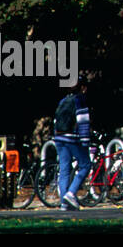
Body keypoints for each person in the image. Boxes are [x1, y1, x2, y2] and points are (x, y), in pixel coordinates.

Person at [52, 76, 91, 210]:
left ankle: (64, 203)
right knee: (85, 165)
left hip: (59, 138)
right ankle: (71, 192)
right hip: (73, 138)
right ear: (82, 88)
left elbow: (55, 121)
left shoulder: (63, 101)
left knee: (64, 171)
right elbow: (82, 121)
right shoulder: (80, 100)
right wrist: (85, 141)